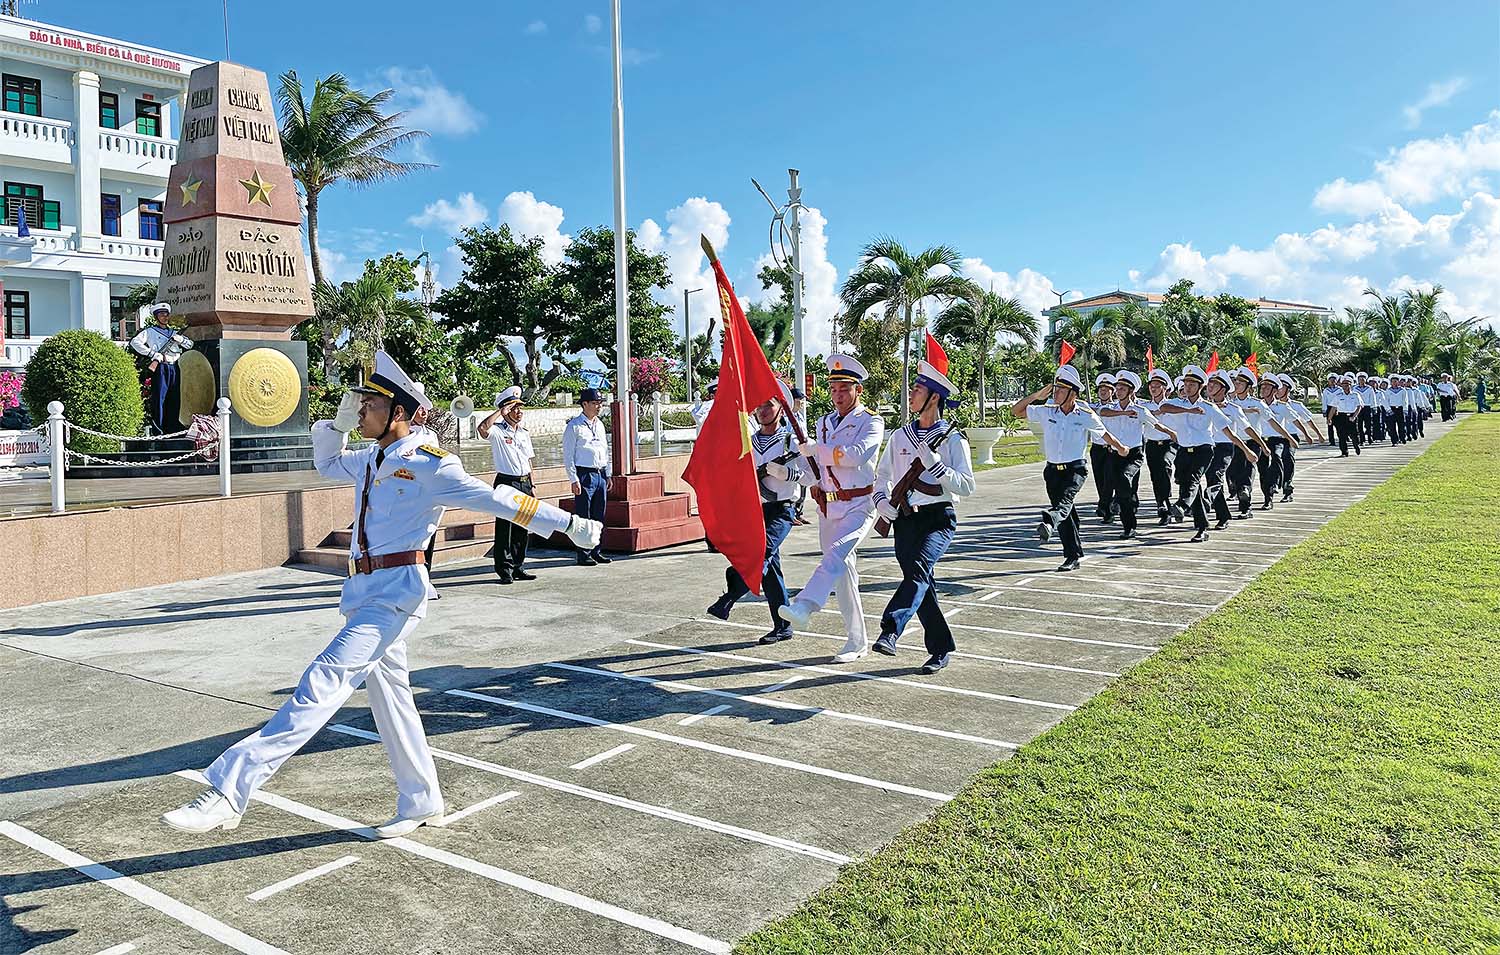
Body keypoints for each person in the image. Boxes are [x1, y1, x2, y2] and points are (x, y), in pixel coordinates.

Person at [162, 351, 601, 837]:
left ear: (399, 413)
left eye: (369, 403)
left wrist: (571, 526)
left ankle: (230, 786)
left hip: (397, 593)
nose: (362, 408)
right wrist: (338, 422)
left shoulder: (431, 465)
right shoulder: (370, 459)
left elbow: (499, 499)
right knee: (392, 699)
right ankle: (420, 799)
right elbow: (326, 461)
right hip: (364, 591)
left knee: (324, 681)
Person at [871, 361, 975, 674]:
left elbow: (967, 485)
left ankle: (891, 629)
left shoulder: (953, 440)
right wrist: (881, 503)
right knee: (921, 583)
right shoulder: (900, 436)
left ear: (934, 398)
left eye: (917, 390)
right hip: (904, 519)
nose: (911, 395)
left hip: (938, 519)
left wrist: (937, 466)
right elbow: (883, 475)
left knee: (918, 571)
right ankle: (941, 649)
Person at [781, 354, 885, 663]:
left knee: (835, 555)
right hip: (828, 506)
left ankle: (805, 605)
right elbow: (817, 467)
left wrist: (818, 450)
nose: (838, 395)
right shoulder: (823, 422)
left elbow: (854, 456)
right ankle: (856, 640)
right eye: (834, 389)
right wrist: (803, 470)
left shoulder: (871, 421)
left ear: (858, 391)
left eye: (844, 389)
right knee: (842, 574)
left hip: (859, 504)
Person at [706, 382, 808, 644]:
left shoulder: (791, 440)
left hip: (783, 508)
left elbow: (812, 476)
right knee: (770, 567)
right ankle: (783, 625)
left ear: (781, 409)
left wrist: (787, 473)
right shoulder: (749, 442)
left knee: (761, 553)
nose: (763, 410)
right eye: (760, 406)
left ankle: (729, 598)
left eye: (769, 405)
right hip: (755, 510)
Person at [1013, 364, 1129, 571]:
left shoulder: (1084, 415)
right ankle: (1074, 554)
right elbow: (1016, 411)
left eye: (1061, 390)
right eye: (1055, 389)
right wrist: (1037, 395)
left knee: (1062, 506)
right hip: (1052, 470)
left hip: (1075, 469)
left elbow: (1104, 435)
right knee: (1067, 514)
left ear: (1073, 394)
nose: (1056, 393)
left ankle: (1050, 522)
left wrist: (1121, 448)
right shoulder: (1047, 411)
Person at [1095, 370, 1176, 539]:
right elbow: (1103, 413)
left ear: (1131, 391)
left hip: (1133, 455)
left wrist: (1172, 433)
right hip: (1114, 454)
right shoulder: (1110, 407)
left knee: (1125, 479)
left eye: (1123, 389)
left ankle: (1129, 525)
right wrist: (1123, 413)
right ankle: (1122, 518)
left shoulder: (1140, 410)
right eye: (1117, 388)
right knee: (1118, 488)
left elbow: (1156, 425)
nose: (1119, 391)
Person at [1166, 365, 1236, 542]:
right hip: (1183, 451)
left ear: (1200, 387)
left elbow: (1227, 430)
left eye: (1192, 384)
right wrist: (1188, 410)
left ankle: (1182, 505)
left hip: (1204, 450)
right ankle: (1202, 527)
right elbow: (1164, 408)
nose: (1187, 387)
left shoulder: (1209, 407)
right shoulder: (1177, 403)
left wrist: (1246, 449)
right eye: (1186, 383)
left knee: (1194, 479)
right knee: (1188, 483)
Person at [478, 386, 537, 584]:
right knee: (506, 528)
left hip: (524, 482)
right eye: (514, 408)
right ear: (506, 410)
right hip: (506, 482)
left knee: (522, 528)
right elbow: (482, 429)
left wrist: (532, 484)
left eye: (520, 408)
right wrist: (498, 412)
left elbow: (529, 460)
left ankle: (519, 566)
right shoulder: (497, 431)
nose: (519, 412)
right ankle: (505, 569)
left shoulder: (524, 433)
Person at [1201, 370, 1260, 530]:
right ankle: (1223, 515)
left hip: (1225, 447)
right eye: (1209, 384)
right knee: (1213, 480)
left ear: (1224, 388)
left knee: (1216, 476)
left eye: (1215, 384)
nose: (1210, 386)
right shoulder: (1203, 406)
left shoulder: (1233, 408)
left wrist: (1257, 446)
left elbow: (1247, 429)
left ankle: (1207, 500)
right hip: (1206, 447)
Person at [129, 302, 194, 435]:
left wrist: (180, 340)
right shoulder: (150, 331)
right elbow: (135, 342)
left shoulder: (174, 332)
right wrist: (153, 354)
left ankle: (172, 428)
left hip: (174, 366)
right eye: (161, 315)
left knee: (174, 398)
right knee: (159, 399)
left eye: (166, 314)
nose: (164, 317)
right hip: (161, 367)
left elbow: (190, 344)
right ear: (156, 317)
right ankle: (158, 430)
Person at [563, 388, 611, 566]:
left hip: (600, 473)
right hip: (584, 474)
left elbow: (605, 450)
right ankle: (583, 553)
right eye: (595, 403)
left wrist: (608, 474)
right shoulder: (574, 426)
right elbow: (568, 456)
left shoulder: (599, 424)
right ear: (584, 404)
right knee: (584, 516)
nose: (598, 406)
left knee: (599, 515)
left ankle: (596, 550)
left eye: (600, 403)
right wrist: (573, 479)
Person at [1252, 372, 1299, 508]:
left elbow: (1295, 420)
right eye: (1262, 387)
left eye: (1267, 388)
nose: (1263, 390)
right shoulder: (1257, 404)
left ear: (1274, 390)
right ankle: (1268, 497)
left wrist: (1305, 435)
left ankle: (1274, 484)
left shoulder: (1281, 407)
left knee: (1277, 457)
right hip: (1261, 440)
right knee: (1263, 470)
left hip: (1277, 439)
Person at [1139, 369, 1179, 525]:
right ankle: (1162, 504)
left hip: (1169, 443)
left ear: (1165, 388)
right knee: (1156, 474)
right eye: (1151, 385)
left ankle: (1166, 501)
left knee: (1164, 464)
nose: (1153, 388)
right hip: (1152, 444)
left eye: (1157, 385)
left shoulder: (1173, 404)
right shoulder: (1144, 405)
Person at [1088, 373, 1118, 522]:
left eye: (1106, 389)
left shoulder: (1116, 407)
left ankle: (1105, 506)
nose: (1103, 392)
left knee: (1109, 480)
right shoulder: (1092, 406)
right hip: (1097, 448)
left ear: (1113, 391)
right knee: (1100, 480)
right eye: (1100, 389)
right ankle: (1107, 508)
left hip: (1111, 449)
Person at [1326, 375, 1364, 456]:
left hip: (1351, 416)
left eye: (1347, 384)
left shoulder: (1355, 395)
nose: (1345, 386)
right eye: (1343, 384)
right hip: (1341, 417)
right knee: (1341, 435)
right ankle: (1344, 451)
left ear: (1351, 385)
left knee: (1354, 434)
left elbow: (1359, 406)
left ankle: (1356, 445)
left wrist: (1354, 416)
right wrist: (1329, 418)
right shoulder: (1338, 396)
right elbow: (1333, 408)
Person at [1321, 374, 1340, 447]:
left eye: (1334, 380)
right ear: (1328, 381)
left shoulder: (1339, 390)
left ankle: (1340, 438)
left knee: (1338, 425)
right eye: (1330, 380)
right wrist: (1324, 410)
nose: (1332, 382)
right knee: (1330, 425)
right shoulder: (1326, 390)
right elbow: (1324, 401)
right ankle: (1331, 441)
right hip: (1329, 408)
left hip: (1337, 408)